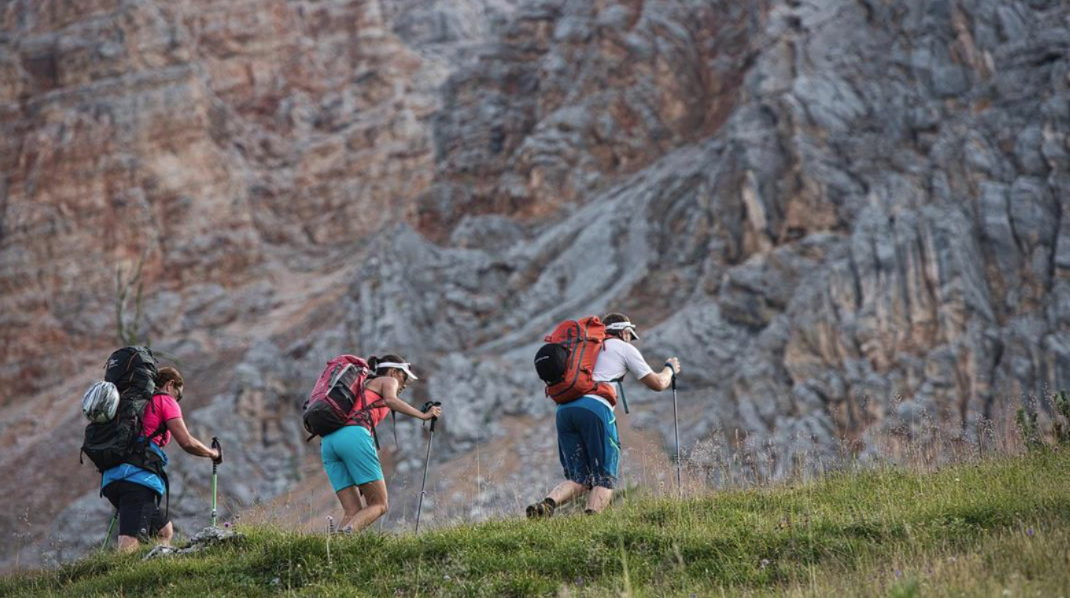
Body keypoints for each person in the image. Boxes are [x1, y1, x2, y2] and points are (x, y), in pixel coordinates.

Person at [527, 313, 681, 517]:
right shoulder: (623, 347)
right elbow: (658, 383)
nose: (630, 339)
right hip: (595, 409)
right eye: (630, 335)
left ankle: (545, 506)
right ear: (623, 332)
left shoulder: (580, 347)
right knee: (604, 477)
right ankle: (591, 525)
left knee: (579, 479)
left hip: (564, 410)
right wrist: (669, 369)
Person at [101, 367, 222, 552]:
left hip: (112, 477)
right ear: (170, 384)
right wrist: (213, 453)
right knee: (129, 539)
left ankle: (154, 569)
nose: (177, 399)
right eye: (178, 394)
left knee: (163, 531)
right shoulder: (164, 400)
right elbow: (187, 442)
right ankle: (123, 578)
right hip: (137, 478)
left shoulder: (133, 403)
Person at [320, 354, 442, 533]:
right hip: (353, 436)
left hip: (329, 441)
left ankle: (332, 555)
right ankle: (343, 540)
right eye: (404, 376)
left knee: (352, 511)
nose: (405, 383)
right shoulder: (387, 380)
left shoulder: (365, 385)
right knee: (379, 504)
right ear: (394, 371)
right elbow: (391, 401)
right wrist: (423, 415)